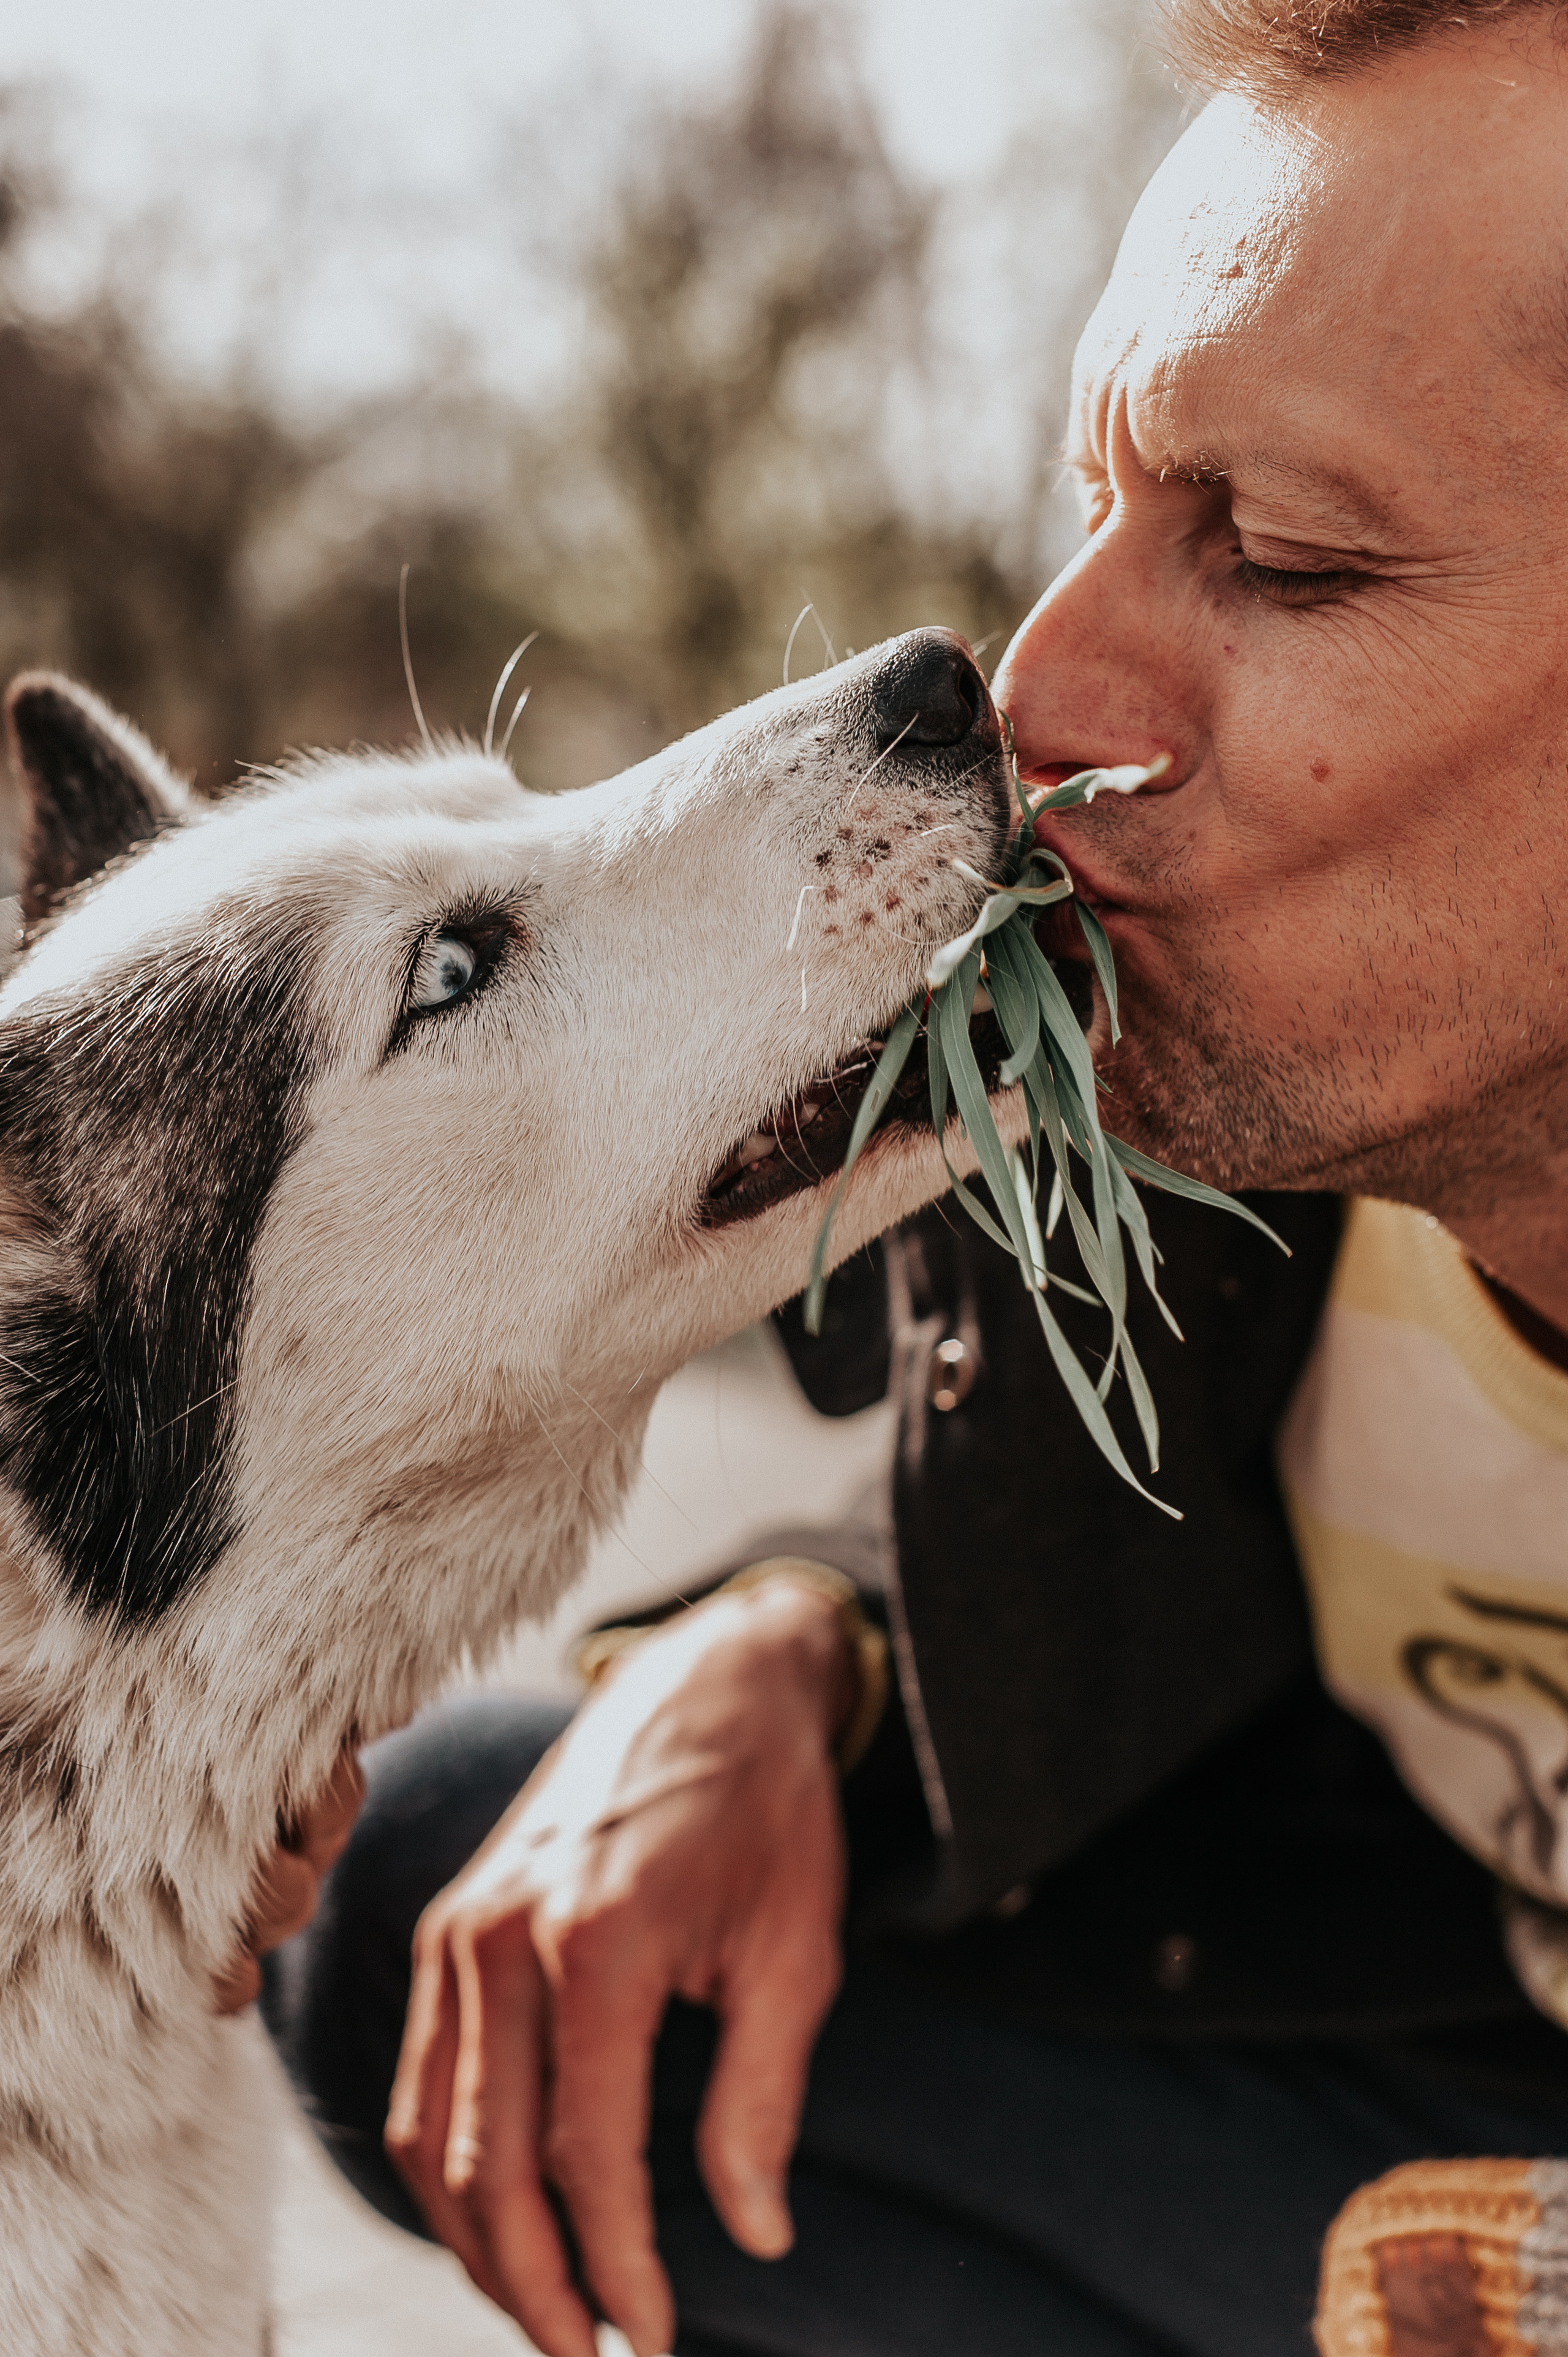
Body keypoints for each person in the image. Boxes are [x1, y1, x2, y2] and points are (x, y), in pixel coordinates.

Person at [252, 4, 1568, 2350]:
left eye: (1279, 553)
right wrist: (803, 1652)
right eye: (1103, 511)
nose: (1039, 692)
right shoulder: (1246, 1117)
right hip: (1428, 2034)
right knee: (460, 1888)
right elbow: (1035, 1493)